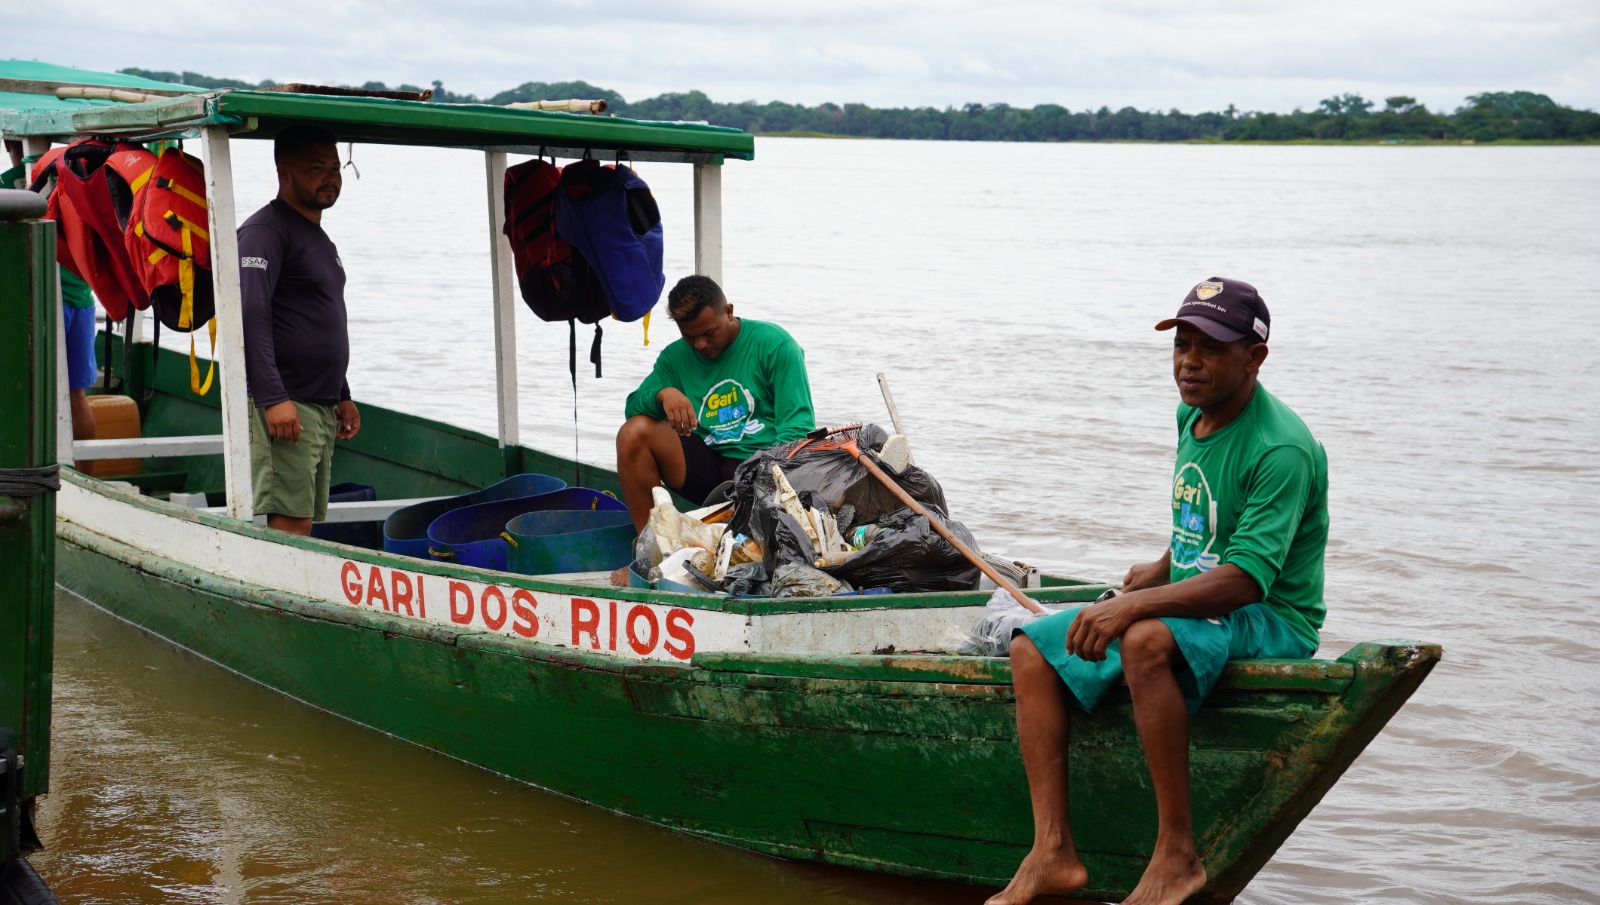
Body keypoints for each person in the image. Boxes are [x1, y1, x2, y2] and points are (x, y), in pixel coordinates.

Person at [989, 277, 1328, 905]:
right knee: (1030, 650)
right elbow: (1213, 523)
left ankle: (1177, 855)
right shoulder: (1191, 414)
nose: (1189, 362)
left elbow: (1249, 577)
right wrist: (1162, 566)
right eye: (1183, 345)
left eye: (1210, 349)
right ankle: (1052, 851)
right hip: (1204, 595)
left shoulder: (1280, 448)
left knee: (1142, 637)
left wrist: (1135, 604)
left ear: (1255, 358)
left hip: (1269, 613)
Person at [616, 274, 815, 530]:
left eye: (709, 333)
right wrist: (662, 394)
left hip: (762, 469)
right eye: (690, 337)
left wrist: (757, 478)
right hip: (706, 466)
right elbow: (632, 408)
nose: (700, 344)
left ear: (729, 312)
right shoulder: (674, 358)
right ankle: (649, 546)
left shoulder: (776, 345)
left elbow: (797, 430)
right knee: (634, 432)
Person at [238, 125, 360, 535]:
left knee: (305, 515)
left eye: (334, 167)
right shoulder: (265, 232)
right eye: (315, 168)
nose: (330, 177)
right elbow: (250, 314)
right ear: (283, 172)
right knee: (291, 519)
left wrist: (341, 394)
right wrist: (273, 398)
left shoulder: (317, 237)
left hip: (320, 403)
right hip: (288, 401)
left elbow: (318, 316)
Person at [6, 140, 96, 441]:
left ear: (10, 143)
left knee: (23, 390)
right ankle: (87, 474)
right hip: (81, 300)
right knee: (76, 395)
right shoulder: (80, 179)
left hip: (39, 301)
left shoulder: (10, 185)